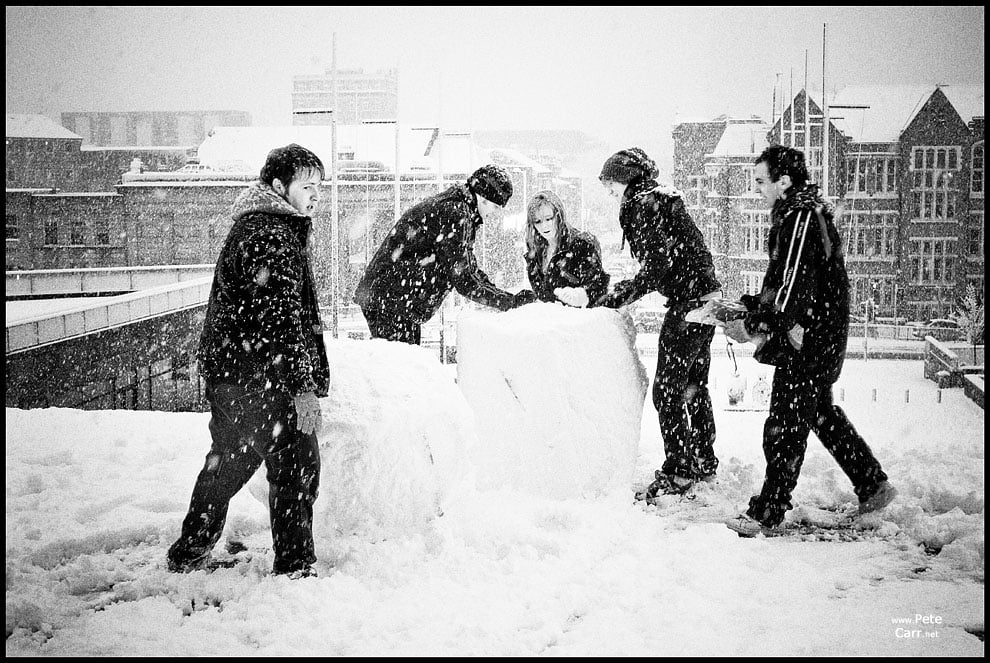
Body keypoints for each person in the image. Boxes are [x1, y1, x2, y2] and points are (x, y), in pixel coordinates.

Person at [167, 144, 330, 579]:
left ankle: (190, 550)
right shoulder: (271, 236)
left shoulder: (258, 227)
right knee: (296, 462)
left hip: (232, 374)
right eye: (307, 186)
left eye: (320, 187)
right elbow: (281, 321)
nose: (316, 195)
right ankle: (296, 568)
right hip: (258, 377)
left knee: (230, 460)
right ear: (280, 187)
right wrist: (303, 387)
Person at [723, 144, 897, 537]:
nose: (757, 190)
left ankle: (768, 512)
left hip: (810, 341)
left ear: (783, 181)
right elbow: (782, 286)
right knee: (819, 413)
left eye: (761, 182)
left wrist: (754, 325)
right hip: (816, 337)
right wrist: (747, 306)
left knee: (785, 423)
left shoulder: (801, 218)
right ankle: (872, 483)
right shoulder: (795, 216)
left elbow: (794, 293)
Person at [595, 148, 723, 496]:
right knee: (693, 385)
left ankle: (679, 471)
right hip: (706, 297)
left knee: (667, 391)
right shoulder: (663, 199)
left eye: (611, 186)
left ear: (626, 179)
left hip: (688, 304)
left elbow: (657, 268)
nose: (610, 193)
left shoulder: (644, 204)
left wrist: (620, 295)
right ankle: (703, 461)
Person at [354, 164, 535, 344]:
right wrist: (509, 302)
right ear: (484, 198)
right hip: (392, 301)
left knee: (404, 365)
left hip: (391, 299)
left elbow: (468, 269)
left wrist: (507, 299)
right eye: (496, 207)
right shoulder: (456, 214)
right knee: (402, 366)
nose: (495, 214)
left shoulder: (457, 207)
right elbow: (464, 279)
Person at [515, 189, 610, 307]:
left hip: (580, 321)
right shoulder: (535, 253)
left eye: (549, 218)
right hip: (551, 322)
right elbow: (544, 296)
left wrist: (583, 295)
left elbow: (599, 284)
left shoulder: (582, 245)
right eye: (538, 221)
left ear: (559, 215)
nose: (544, 225)